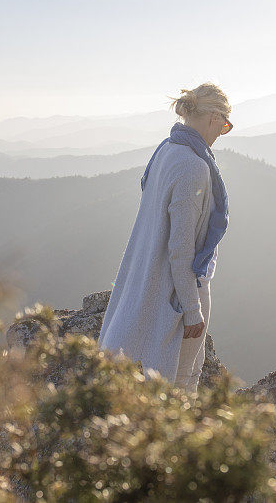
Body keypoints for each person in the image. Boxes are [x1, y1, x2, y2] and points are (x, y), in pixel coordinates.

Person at [97, 82, 232, 394]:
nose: (222, 133)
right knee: (183, 381)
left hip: (147, 276)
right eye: (225, 125)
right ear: (213, 117)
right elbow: (181, 248)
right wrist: (192, 309)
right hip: (183, 287)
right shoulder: (195, 167)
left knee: (161, 381)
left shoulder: (166, 151)